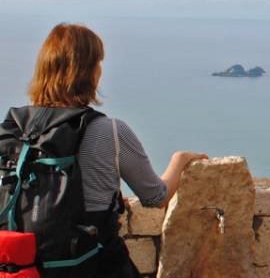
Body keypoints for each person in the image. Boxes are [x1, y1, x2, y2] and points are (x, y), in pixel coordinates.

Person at [3, 23, 205, 277]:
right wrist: (180, 160)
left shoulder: (13, 128)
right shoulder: (107, 130)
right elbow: (156, 197)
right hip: (93, 264)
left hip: (22, 267)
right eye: (98, 62)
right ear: (88, 72)